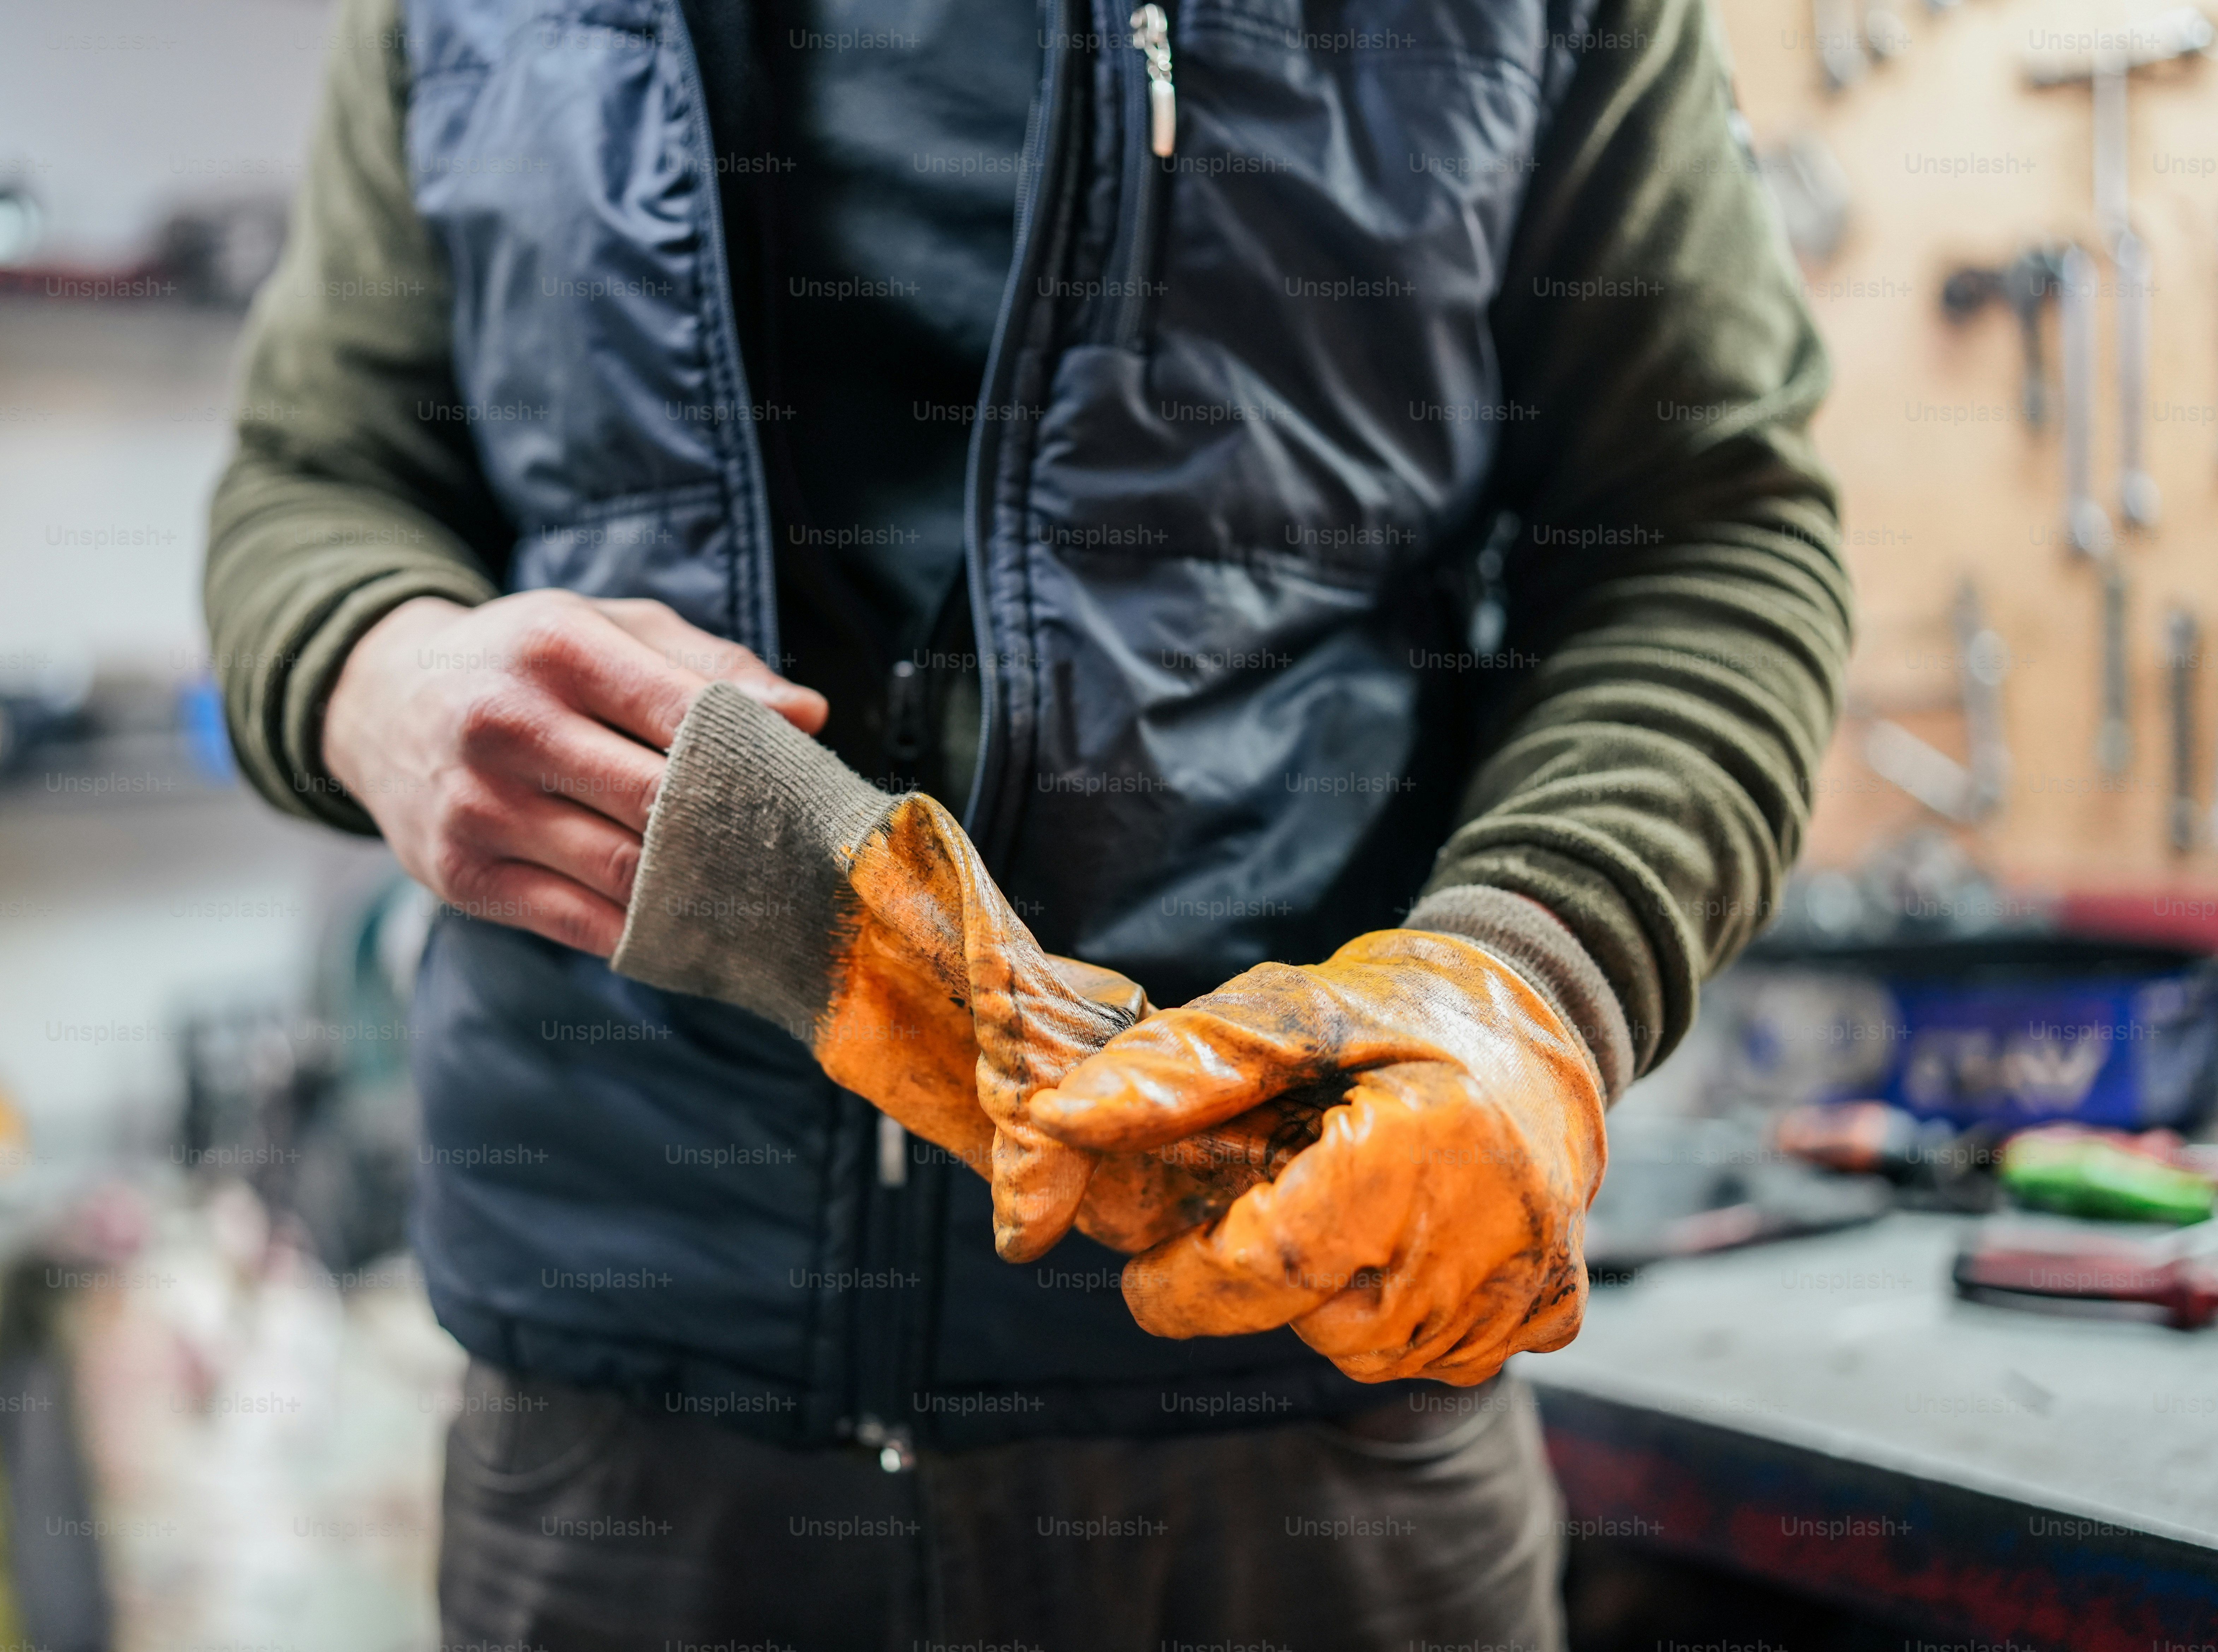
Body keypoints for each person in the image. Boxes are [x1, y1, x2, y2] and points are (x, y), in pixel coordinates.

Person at [203, 0, 1850, 1636]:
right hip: (629, 1421)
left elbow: (1703, 527)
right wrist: (377, 670)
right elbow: (316, 473)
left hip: (1303, 1422)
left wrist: (1540, 965)